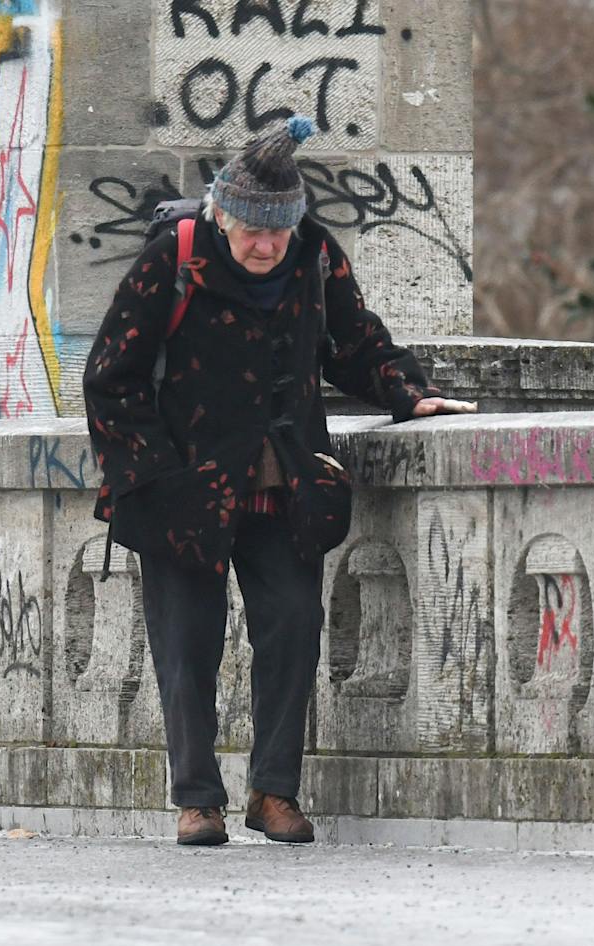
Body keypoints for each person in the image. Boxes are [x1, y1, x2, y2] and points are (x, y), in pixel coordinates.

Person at [83, 116, 476, 847]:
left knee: (293, 627)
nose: (266, 246)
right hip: (184, 492)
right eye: (253, 231)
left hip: (283, 483)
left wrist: (407, 390)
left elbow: (354, 343)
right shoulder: (175, 257)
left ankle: (273, 792)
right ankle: (197, 800)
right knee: (187, 642)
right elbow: (111, 377)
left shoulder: (314, 256)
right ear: (222, 216)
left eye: (278, 231)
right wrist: (154, 473)